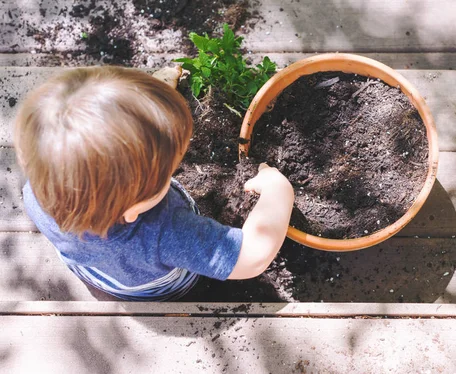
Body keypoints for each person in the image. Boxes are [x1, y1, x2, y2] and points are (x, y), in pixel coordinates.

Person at [13, 66, 294, 301]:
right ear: (132, 210)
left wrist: (146, 105)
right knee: (188, 282)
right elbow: (252, 256)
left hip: (95, 269)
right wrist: (278, 190)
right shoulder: (163, 231)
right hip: (162, 286)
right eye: (168, 170)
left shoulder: (39, 190)